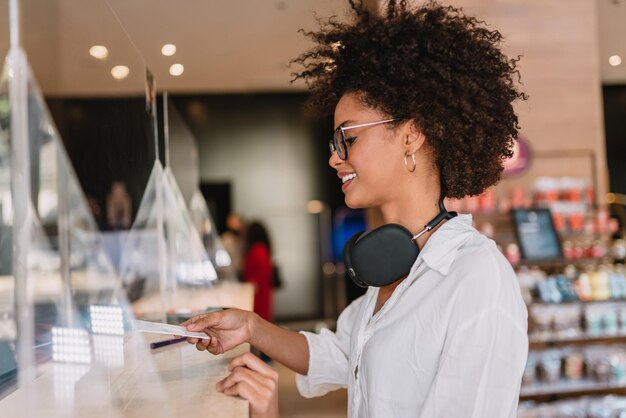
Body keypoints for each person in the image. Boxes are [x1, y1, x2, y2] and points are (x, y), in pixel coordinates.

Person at [182, 1, 528, 417]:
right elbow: (342, 353)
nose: (334, 158)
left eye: (349, 139)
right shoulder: (393, 266)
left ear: (411, 134)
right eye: (333, 144)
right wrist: (251, 328)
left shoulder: (476, 279)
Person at [243, 221, 274, 323]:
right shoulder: (261, 248)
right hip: (260, 289)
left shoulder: (258, 249)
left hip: (258, 291)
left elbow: (263, 269)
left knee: (259, 319)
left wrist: (254, 281)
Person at [220, 213, 246, 281]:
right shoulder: (225, 240)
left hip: (243, 275)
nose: (234, 226)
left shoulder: (244, 240)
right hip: (228, 276)